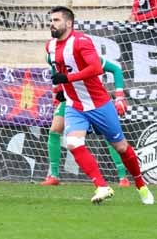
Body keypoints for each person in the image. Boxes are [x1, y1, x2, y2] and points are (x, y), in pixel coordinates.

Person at [46, 6, 153, 204]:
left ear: (69, 23)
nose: (52, 24)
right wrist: (59, 89)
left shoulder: (81, 42)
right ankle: (102, 186)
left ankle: (140, 184)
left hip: (99, 104)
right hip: (75, 105)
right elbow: (57, 73)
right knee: (73, 143)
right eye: (51, 20)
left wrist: (68, 78)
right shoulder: (50, 47)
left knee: (121, 147)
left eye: (56, 20)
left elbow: (95, 68)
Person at [42, 53, 131, 187]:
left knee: (111, 137)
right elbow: (55, 69)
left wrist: (119, 96)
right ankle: (53, 175)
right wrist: (57, 90)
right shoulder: (53, 55)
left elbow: (116, 69)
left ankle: (123, 177)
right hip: (71, 101)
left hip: (95, 102)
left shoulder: (88, 56)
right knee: (55, 130)